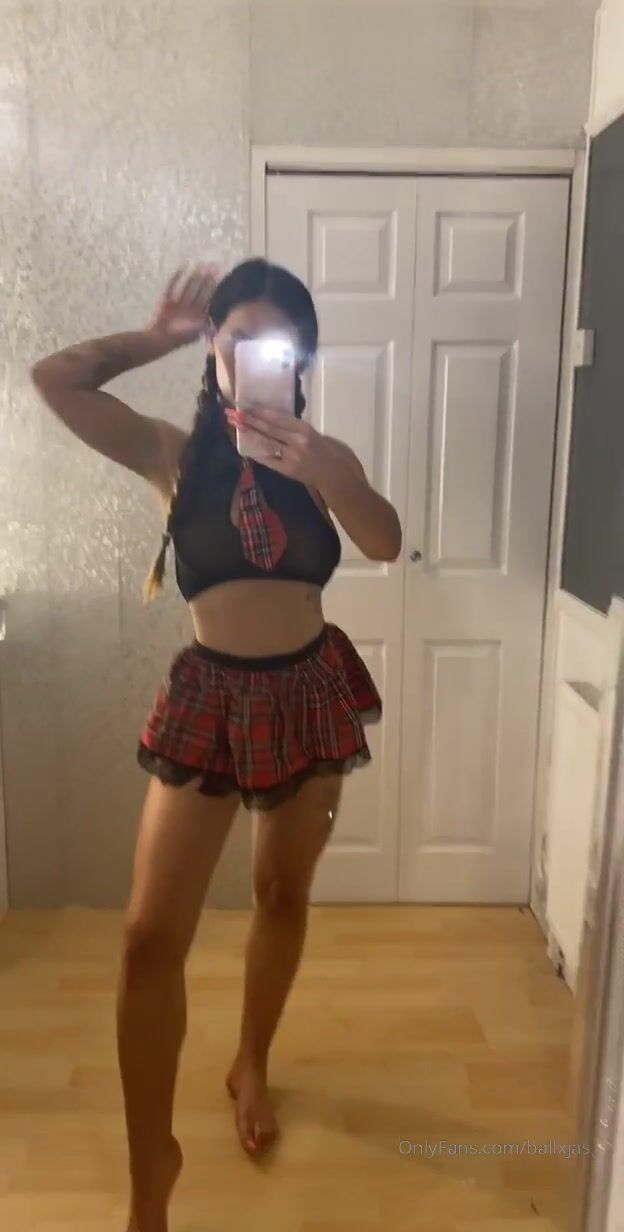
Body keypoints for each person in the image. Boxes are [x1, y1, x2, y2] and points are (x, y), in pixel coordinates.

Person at [31, 259, 402, 1232]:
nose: (255, 357)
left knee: (282, 894)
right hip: (209, 696)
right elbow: (53, 380)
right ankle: (152, 1168)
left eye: (278, 343)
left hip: (308, 692)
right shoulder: (172, 453)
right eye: (237, 338)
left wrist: (331, 473)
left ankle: (252, 1061)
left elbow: (384, 540)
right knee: (148, 939)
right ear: (214, 347)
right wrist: (153, 335)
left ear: (302, 359)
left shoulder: (324, 458)